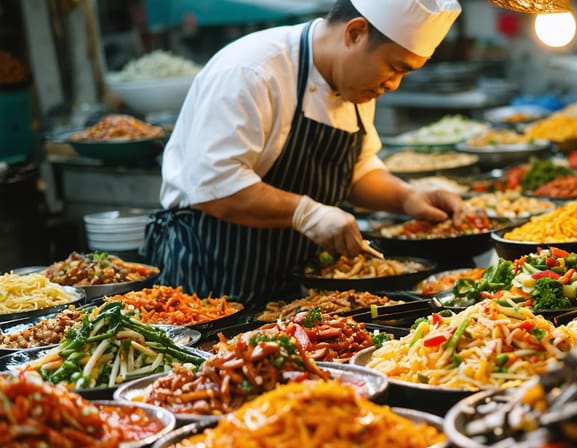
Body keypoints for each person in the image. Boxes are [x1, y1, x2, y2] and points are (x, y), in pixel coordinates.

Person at [143, 0, 464, 304]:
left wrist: (407, 197)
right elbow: (215, 185)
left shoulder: (354, 83)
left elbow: (355, 170)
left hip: (293, 286)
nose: (394, 85)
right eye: (394, 68)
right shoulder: (252, 70)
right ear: (355, 33)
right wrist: (307, 214)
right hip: (211, 280)